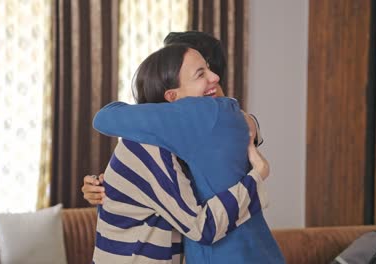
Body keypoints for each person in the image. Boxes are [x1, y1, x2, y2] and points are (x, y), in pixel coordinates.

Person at [93, 44, 285, 263]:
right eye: (200, 74)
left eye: (209, 68)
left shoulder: (186, 143)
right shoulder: (145, 148)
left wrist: (248, 122)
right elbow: (202, 228)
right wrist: (257, 175)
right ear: (172, 99)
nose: (215, 77)